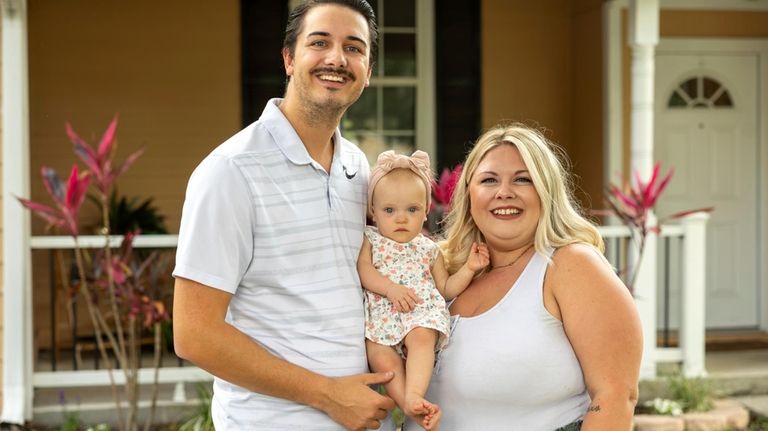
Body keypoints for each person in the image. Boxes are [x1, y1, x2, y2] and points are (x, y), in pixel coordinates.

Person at [172, 1, 398, 430]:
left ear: (367, 72)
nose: (336, 58)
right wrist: (329, 396)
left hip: (365, 418)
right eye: (320, 43)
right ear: (289, 59)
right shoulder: (231, 170)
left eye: (354, 47)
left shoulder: (357, 167)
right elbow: (194, 334)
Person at [407, 123, 643, 430]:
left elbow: (615, 397)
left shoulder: (570, 266)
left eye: (523, 179)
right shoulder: (444, 270)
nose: (504, 193)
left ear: (547, 191)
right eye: (489, 180)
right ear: (469, 194)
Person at [357, 150, 490, 430]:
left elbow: (445, 287)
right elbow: (365, 272)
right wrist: (390, 289)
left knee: (421, 338)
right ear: (373, 211)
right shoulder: (370, 240)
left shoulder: (429, 250)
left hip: (419, 313)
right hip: (383, 316)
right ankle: (406, 403)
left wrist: (469, 268)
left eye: (412, 210)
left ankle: (415, 394)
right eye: (389, 210)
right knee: (380, 356)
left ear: (426, 210)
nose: (401, 219)